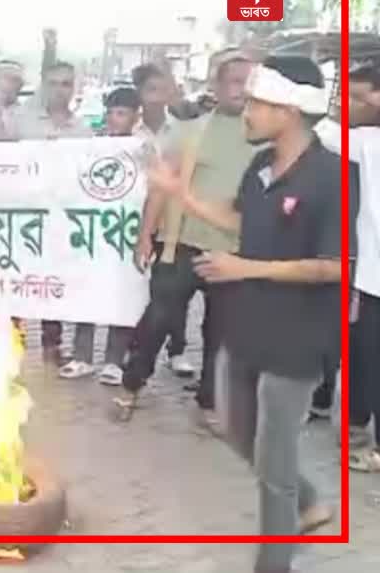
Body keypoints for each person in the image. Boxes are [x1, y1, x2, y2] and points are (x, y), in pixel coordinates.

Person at [149, 55, 339, 572]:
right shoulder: (260, 166)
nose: (247, 111)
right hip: (248, 325)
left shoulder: (333, 176)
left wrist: (243, 268)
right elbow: (238, 220)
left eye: (257, 102)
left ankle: (273, 562)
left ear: (290, 110)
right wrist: (179, 195)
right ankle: (308, 501)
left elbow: (331, 266)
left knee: (273, 465)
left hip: (297, 336)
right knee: (235, 429)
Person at [115, 49, 257, 427]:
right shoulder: (191, 131)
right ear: (216, 85)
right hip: (181, 243)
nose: (241, 90)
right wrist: (146, 236)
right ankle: (130, 386)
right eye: (234, 81)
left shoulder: (263, 134)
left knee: (222, 331)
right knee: (158, 319)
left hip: (235, 252)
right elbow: (161, 188)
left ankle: (209, 402)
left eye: (249, 82)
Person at [8, 62, 97, 373]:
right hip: (23, 216)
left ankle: (52, 345)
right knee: (19, 279)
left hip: (61, 219)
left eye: (66, 84)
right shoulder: (22, 123)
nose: (60, 90)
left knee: (53, 282)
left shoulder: (84, 130)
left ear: (73, 88)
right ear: (44, 86)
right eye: (54, 83)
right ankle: (11, 343)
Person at [314, 63, 380, 471]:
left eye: (361, 98)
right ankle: (356, 434)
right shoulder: (367, 142)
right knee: (362, 355)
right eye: (349, 97)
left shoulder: (367, 142)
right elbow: (321, 133)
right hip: (370, 280)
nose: (352, 106)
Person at [75, 86, 142, 386]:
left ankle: (114, 360)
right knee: (86, 293)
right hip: (94, 233)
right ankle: (82, 357)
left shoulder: (143, 148)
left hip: (126, 235)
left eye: (121, 113)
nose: (114, 119)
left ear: (134, 116)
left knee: (121, 296)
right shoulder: (93, 147)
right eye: (111, 113)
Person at [132, 63, 196, 377]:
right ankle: (135, 352)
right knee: (148, 289)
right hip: (135, 217)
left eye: (164, 89)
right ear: (139, 94)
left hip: (174, 222)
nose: (158, 98)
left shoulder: (188, 131)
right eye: (151, 90)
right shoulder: (126, 134)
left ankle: (178, 349)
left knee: (174, 290)